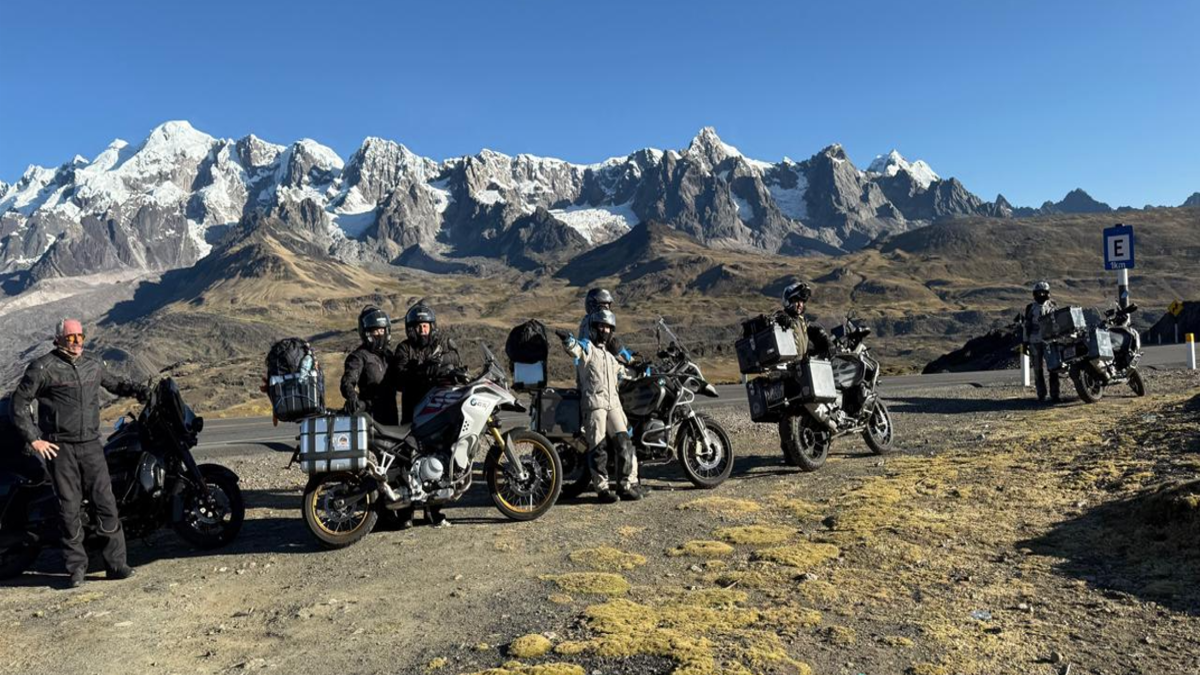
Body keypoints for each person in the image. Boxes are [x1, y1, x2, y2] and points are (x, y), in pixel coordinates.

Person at [10, 319, 149, 588]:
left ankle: (116, 564)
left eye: (80, 336)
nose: (77, 342)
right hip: (60, 449)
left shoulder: (93, 364)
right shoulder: (43, 367)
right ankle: (76, 569)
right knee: (68, 508)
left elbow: (116, 384)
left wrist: (142, 390)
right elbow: (19, 403)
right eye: (71, 337)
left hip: (92, 446)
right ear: (58, 340)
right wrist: (35, 439)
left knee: (106, 503)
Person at [557, 310, 647, 503]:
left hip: (613, 404)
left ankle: (624, 486)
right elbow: (575, 349)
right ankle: (603, 489)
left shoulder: (610, 356)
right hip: (594, 404)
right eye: (601, 326)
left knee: (625, 442)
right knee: (598, 448)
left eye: (608, 327)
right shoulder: (588, 349)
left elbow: (624, 373)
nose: (605, 330)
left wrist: (639, 370)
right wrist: (567, 341)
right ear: (594, 328)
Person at [391, 301, 462, 527]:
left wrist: (441, 362)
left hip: (438, 412)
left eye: (426, 326)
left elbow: (454, 358)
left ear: (432, 327)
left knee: (438, 459)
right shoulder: (403, 349)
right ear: (410, 329)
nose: (423, 330)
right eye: (418, 326)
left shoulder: (439, 346)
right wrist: (422, 371)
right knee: (406, 462)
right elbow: (399, 377)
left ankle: (434, 512)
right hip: (413, 413)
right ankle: (405, 514)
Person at [340, 306, 398, 425]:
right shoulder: (359, 356)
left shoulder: (389, 356)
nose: (379, 334)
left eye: (382, 331)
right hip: (370, 416)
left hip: (392, 415)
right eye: (375, 331)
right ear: (366, 333)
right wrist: (352, 396)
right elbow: (348, 380)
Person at [1022, 281, 1061, 403]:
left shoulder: (1053, 305)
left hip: (1050, 341)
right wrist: (1025, 342)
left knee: (1053, 368)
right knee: (1038, 369)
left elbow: (1059, 322)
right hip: (1035, 341)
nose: (1041, 295)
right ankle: (1041, 394)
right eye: (1039, 292)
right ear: (1035, 294)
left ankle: (1055, 394)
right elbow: (1026, 325)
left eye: (1044, 292)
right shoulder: (1030, 308)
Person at [775, 282, 831, 360]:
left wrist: (823, 338)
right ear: (789, 301)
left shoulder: (802, 320)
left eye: (802, 302)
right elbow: (777, 317)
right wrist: (782, 319)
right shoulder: (782, 316)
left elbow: (811, 330)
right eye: (797, 301)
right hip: (786, 367)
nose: (800, 305)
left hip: (803, 366)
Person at [578, 288, 634, 365]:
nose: (606, 308)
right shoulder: (591, 323)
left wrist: (628, 355)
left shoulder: (589, 320)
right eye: (604, 305)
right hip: (595, 366)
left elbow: (612, 343)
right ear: (593, 305)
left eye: (608, 305)